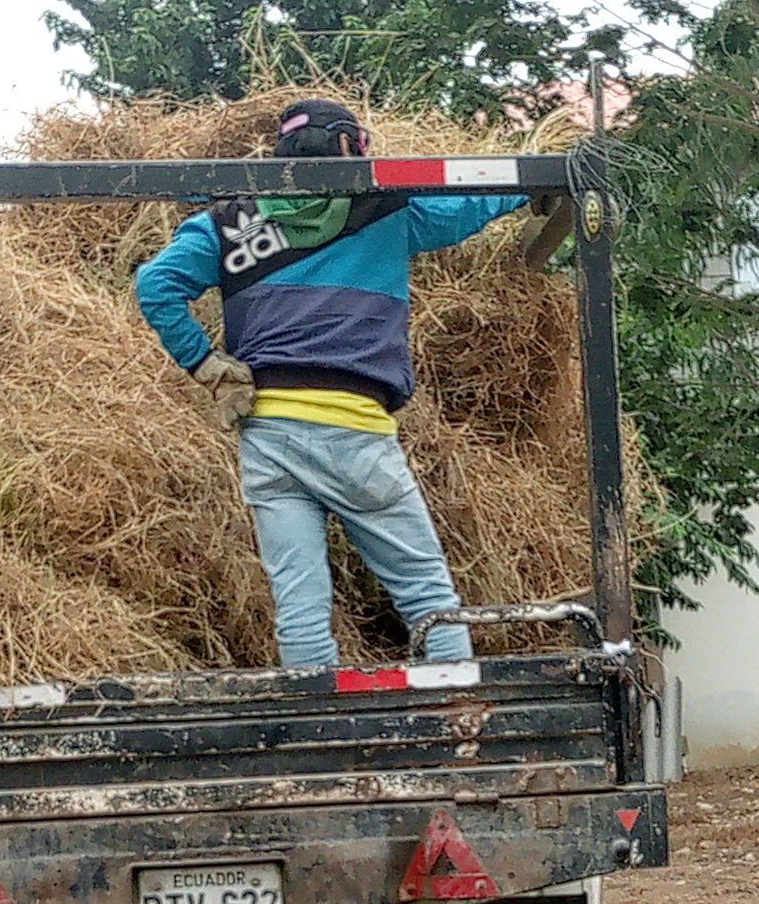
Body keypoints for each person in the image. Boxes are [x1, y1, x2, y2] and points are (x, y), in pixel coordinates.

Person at [132, 98, 560, 669]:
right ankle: (457, 709)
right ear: (347, 148)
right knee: (427, 594)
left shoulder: (230, 223)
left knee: (300, 609)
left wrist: (205, 364)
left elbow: (156, 284)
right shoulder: (385, 209)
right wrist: (526, 186)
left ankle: (319, 720)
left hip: (269, 435)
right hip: (357, 432)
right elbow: (465, 204)